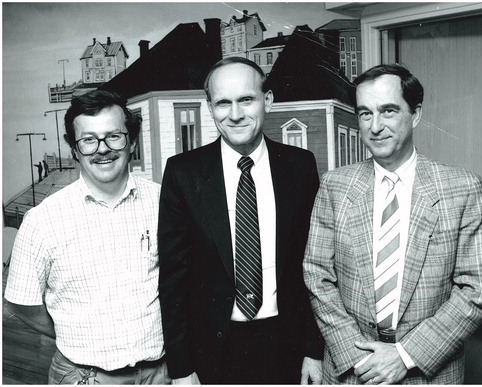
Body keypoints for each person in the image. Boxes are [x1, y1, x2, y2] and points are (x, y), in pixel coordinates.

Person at [303, 63, 482, 384]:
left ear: (415, 114)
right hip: (352, 370)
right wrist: (358, 358)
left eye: (388, 111)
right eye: (365, 114)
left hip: (429, 373)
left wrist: (405, 355)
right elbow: (317, 275)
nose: (375, 126)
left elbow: (477, 289)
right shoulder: (335, 186)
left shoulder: (461, 188)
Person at [158, 57, 324, 385]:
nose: (235, 114)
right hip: (212, 353)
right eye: (223, 103)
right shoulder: (183, 173)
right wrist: (181, 367)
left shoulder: (299, 167)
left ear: (268, 100)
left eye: (246, 99)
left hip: (285, 346)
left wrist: (313, 349)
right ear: (210, 107)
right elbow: (173, 278)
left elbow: (314, 266)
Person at [5, 90, 169, 385]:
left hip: (161, 373)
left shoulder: (165, 203)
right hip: (83, 376)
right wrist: (72, 329)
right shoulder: (42, 220)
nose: (102, 149)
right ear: (74, 149)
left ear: (131, 141)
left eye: (113, 136)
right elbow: (21, 302)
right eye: (88, 139)